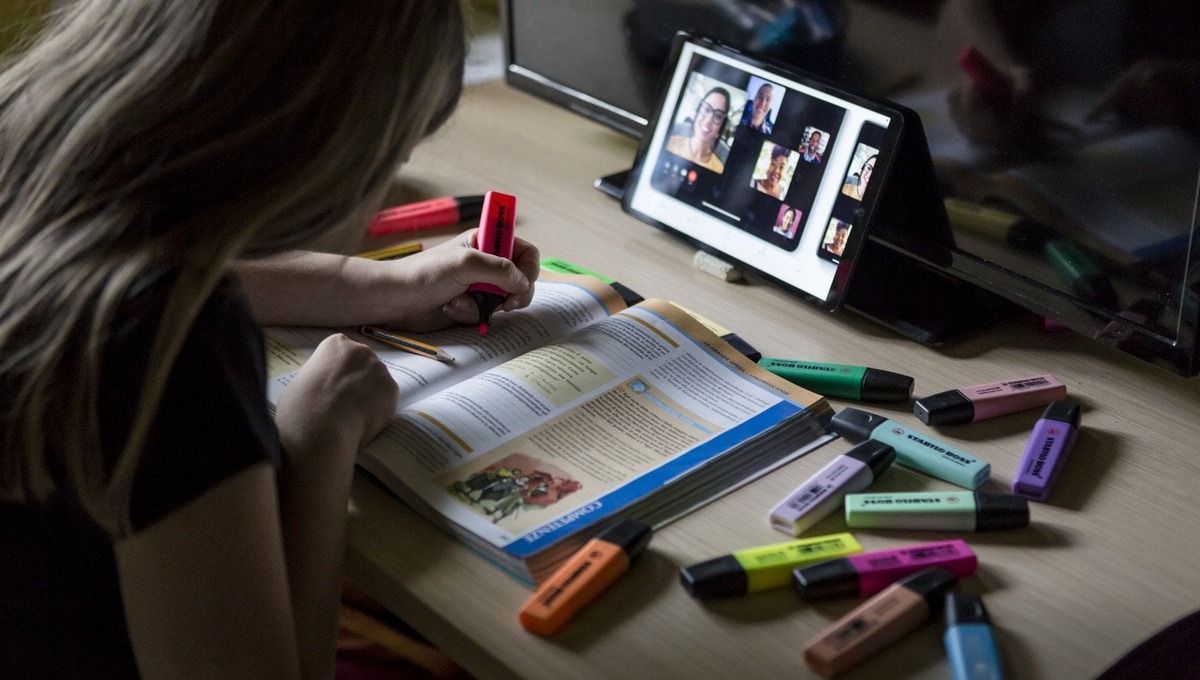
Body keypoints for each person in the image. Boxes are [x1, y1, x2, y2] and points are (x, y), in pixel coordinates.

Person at [0, 1, 541, 678]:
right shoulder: (168, 355)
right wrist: (318, 440)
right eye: (387, 159)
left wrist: (379, 285)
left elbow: (146, 266)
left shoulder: (24, 171)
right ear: (315, 150)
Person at [665, 87, 731, 173]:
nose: (708, 120)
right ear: (697, 112)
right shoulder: (670, 144)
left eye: (718, 116)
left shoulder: (718, 169)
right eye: (706, 109)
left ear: (721, 127)